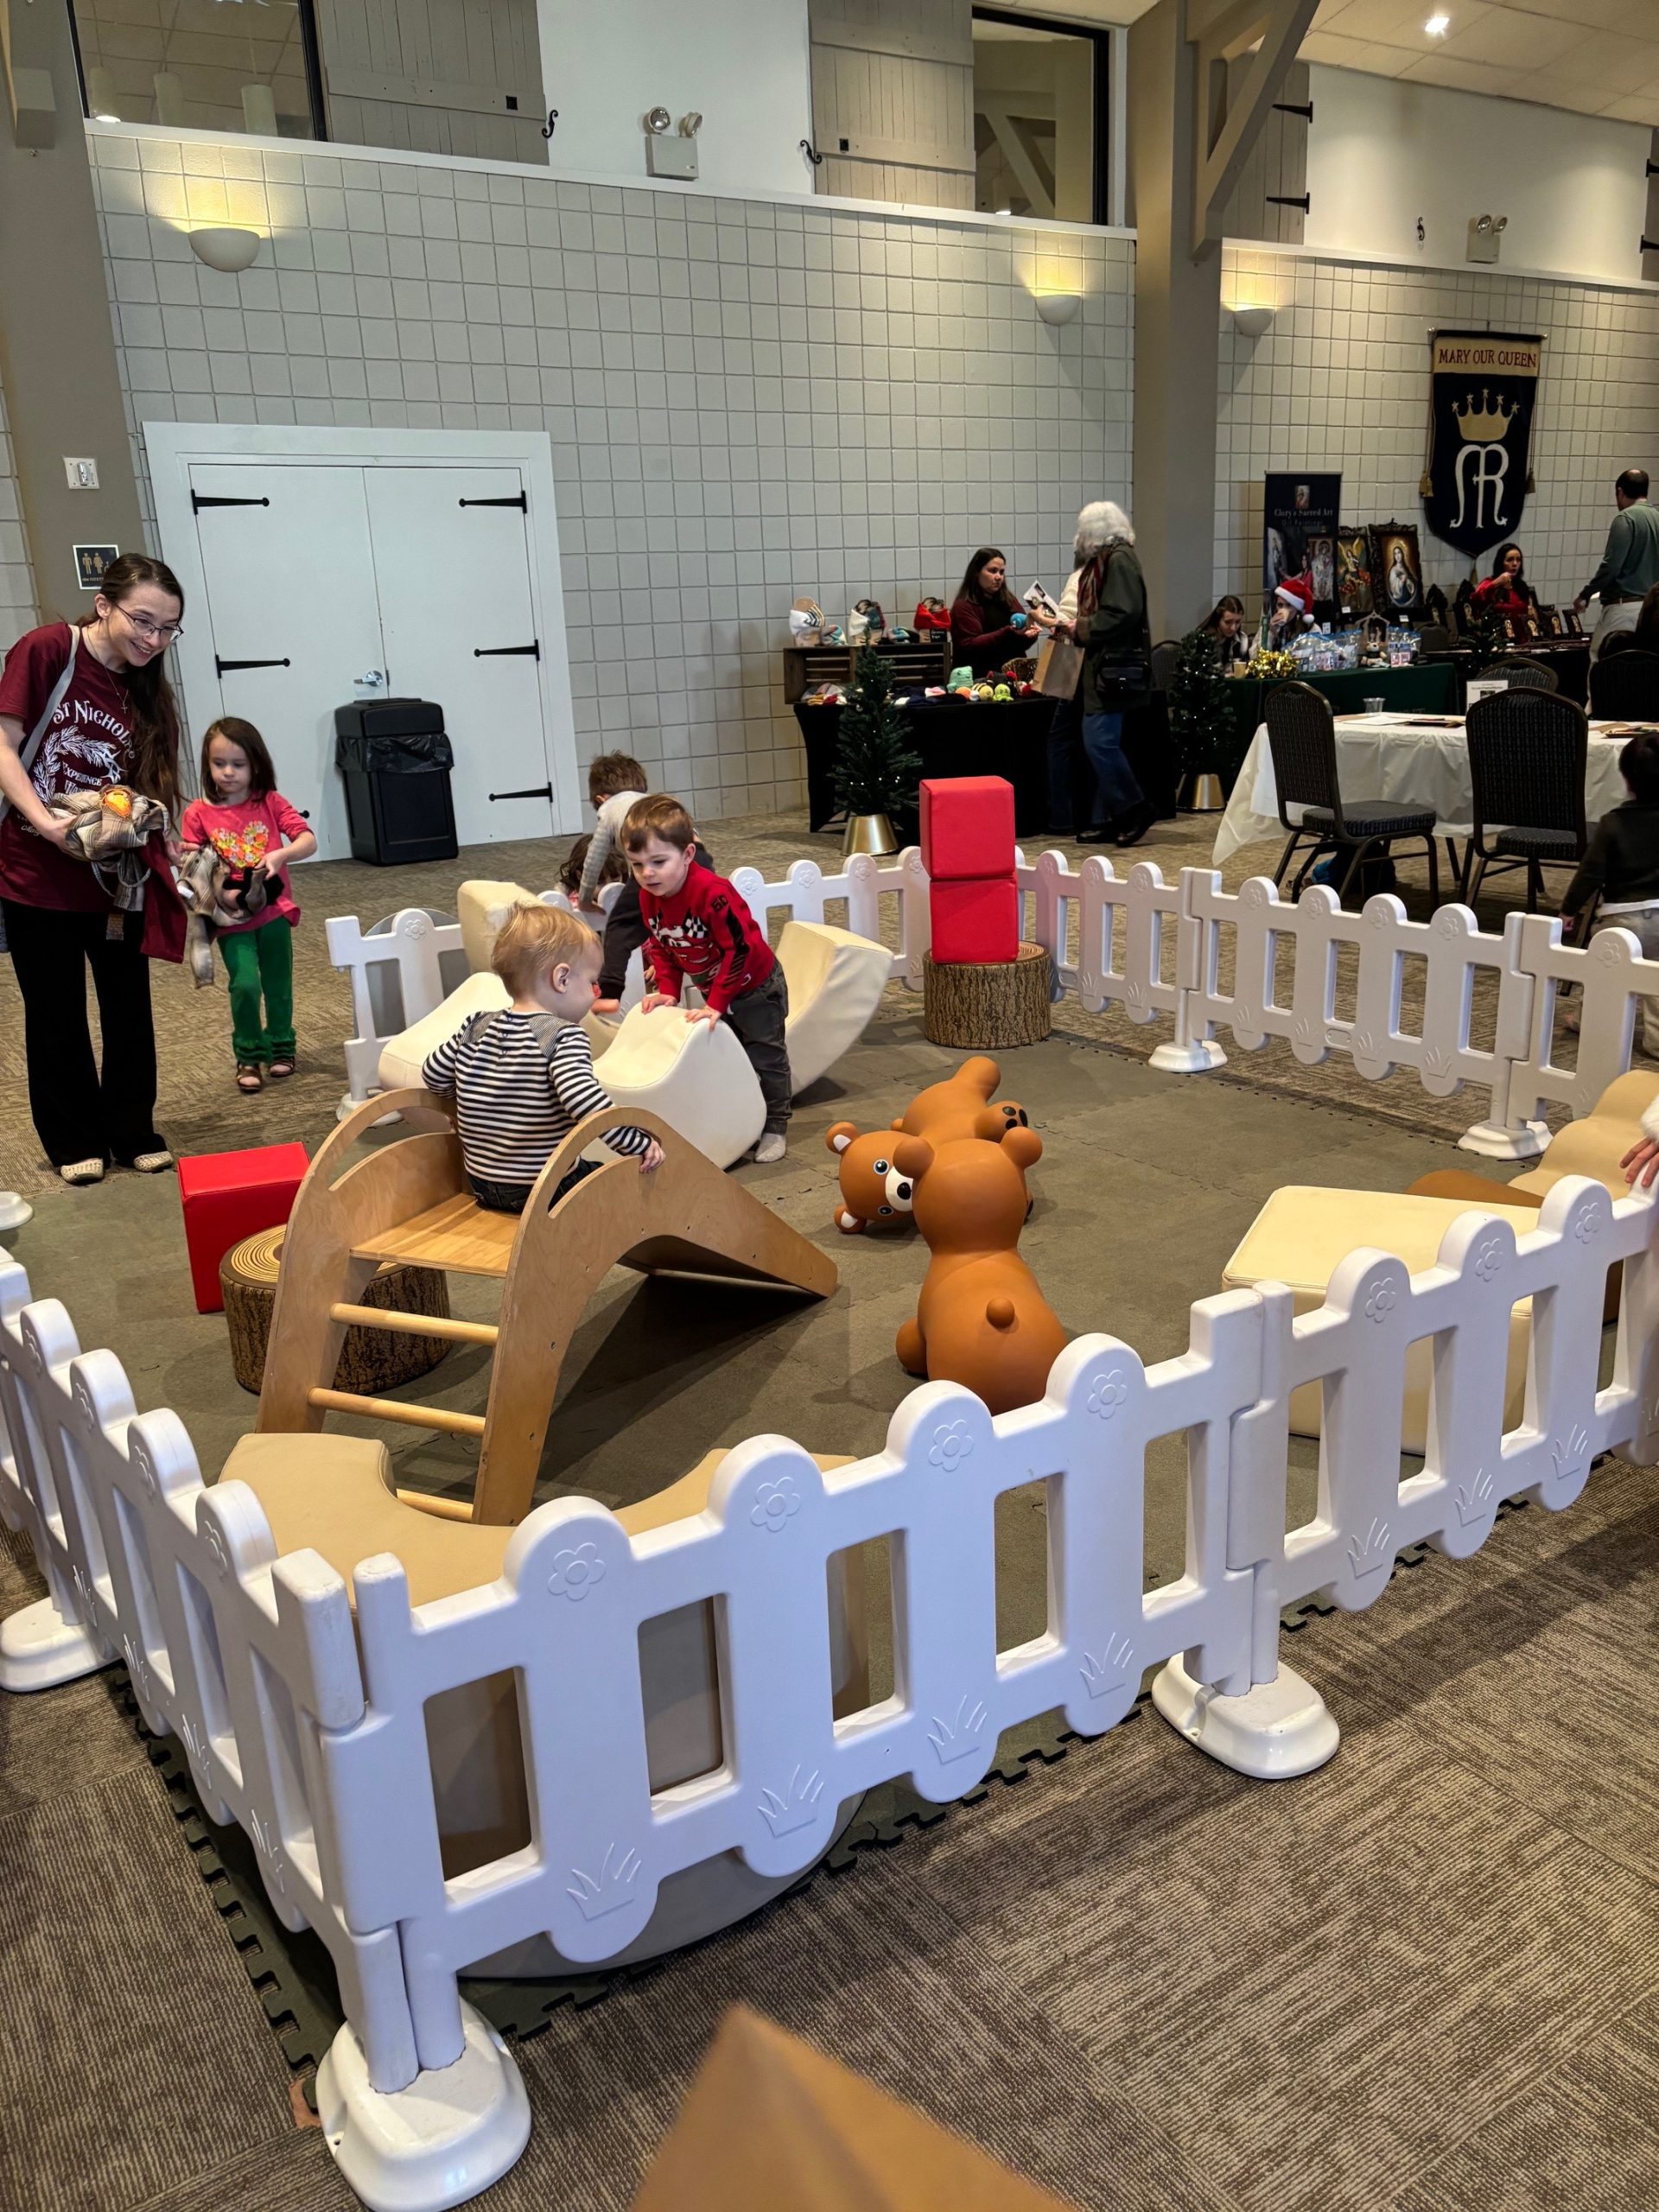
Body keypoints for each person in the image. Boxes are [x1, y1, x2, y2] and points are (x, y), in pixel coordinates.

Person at [0, 552, 188, 1186]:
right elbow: (4, 744)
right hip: (35, 870)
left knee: (128, 1006)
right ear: (104, 605)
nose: (153, 639)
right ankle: (73, 1138)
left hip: (114, 877)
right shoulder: (49, 650)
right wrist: (45, 822)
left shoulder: (147, 689)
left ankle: (132, 1130)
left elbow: (150, 780)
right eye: (143, 621)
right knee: (55, 1011)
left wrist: (165, 835)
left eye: (167, 629)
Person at [420, 902, 663, 1213]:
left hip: (481, 1182)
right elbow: (584, 1102)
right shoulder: (562, 1036)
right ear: (562, 979)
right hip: (543, 1187)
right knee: (615, 1184)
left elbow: (433, 1075)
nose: (595, 993)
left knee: (586, 1166)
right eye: (592, 982)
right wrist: (637, 1143)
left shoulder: (476, 1025)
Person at [625, 795, 792, 1161]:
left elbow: (740, 949)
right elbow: (663, 945)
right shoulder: (649, 897)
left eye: (658, 862)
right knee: (730, 1058)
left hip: (756, 987)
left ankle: (776, 1125)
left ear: (687, 854)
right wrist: (668, 990)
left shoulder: (714, 894)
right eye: (637, 865)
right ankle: (745, 1119)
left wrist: (716, 1002)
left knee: (766, 1057)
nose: (647, 873)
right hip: (719, 989)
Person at [180, 718, 317, 1094]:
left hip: (274, 910)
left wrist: (282, 854)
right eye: (218, 763)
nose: (228, 772)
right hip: (230, 917)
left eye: (238, 764)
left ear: (255, 764)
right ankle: (249, 1054)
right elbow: (192, 864)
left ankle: (282, 1046)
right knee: (244, 985)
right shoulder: (198, 813)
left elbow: (308, 840)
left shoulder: (270, 802)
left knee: (277, 984)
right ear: (207, 764)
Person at [586, 748, 716, 1016]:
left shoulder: (609, 809)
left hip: (660, 863)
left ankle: (610, 993)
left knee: (623, 925)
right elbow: (692, 836)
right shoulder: (656, 804)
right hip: (696, 856)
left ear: (600, 799)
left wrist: (586, 898)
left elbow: (594, 858)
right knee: (703, 918)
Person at [1560, 733, 1659, 1056]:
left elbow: (1590, 872)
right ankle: (1657, 1041)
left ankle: (1587, 1021)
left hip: (1622, 917)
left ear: (1627, 782)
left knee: (1604, 973)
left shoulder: (1613, 823)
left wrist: (1569, 909)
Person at [1069, 501, 1154, 848]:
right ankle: (1110, 817)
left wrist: (1081, 627)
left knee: (1099, 742)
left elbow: (1122, 612)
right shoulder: (1110, 560)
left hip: (1112, 668)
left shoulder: (1117, 560)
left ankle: (1135, 807)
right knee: (1100, 743)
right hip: (1105, 667)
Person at [1576, 468, 1659, 658]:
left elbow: (1612, 567)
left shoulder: (1626, 518)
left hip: (1623, 609)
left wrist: (1586, 593)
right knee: (1642, 666)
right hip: (1652, 610)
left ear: (1620, 492)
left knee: (1601, 661)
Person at [949, 549, 1033, 678]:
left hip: (1013, 677)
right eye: (993, 571)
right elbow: (970, 646)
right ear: (977, 572)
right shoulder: (963, 606)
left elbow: (1021, 643)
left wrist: (1030, 634)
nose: (998, 577)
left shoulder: (1009, 600)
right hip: (980, 680)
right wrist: (1008, 632)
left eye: (1001, 572)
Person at [1471, 543, 1536, 632]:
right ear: (1501, 563)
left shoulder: (1521, 586)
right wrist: (1497, 582)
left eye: (1518, 560)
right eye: (1510, 560)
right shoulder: (1489, 582)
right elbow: (1475, 599)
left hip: (1520, 635)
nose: (1515, 564)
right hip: (1495, 635)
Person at [1194, 594, 1250, 668]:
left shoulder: (1241, 640)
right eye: (1228, 622)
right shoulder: (1203, 640)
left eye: (1237, 622)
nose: (1233, 628)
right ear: (1218, 620)